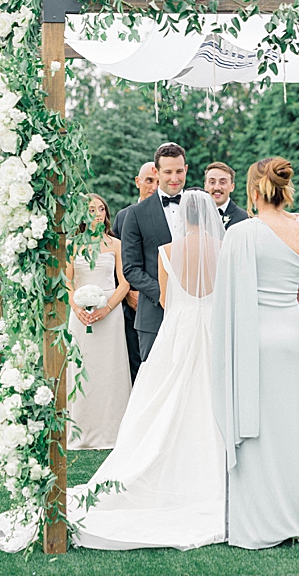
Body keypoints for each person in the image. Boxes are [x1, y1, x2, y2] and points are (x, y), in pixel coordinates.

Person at [65, 189, 228, 550]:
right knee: (211, 394)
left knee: (168, 398)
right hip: (213, 330)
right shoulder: (225, 250)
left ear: (183, 218)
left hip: (181, 329)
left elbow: (169, 300)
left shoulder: (168, 252)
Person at [211, 157, 299, 549]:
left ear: (254, 192)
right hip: (288, 338)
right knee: (286, 427)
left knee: (253, 426)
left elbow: (224, 295)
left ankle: (258, 522)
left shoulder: (240, 234)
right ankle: (289, 520)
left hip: (252, 339)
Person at [65, 194, 132, 450]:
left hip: (110, 313)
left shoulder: (115, 244)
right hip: (80, 314)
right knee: (83, 369)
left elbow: (124, 281)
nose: (97, 213)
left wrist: (108, 308)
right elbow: (67, 281)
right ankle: (81, 430)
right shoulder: (71, 244)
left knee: (110, 370)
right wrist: (77, 308)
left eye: (101, 209)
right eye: (91, 209)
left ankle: (113, 434)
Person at [121, 143, 188, 361]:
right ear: (157, 173)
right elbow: (131, 267)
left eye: (179, 171)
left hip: (194, 314)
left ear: (186, 169)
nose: (174, 178)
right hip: (153, 314)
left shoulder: (199, 207)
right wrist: (163, 293)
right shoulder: (136, 214)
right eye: (168, 172)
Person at [112, 162, 159, 383]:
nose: (154, 186)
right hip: (130, 304)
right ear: (137, 181)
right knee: (134, 362)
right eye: (149, 181)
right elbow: (116, 260)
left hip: (161, 300)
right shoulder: (123, 216)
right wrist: (128, 292)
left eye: (158, 182)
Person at [204, 161, 248, 229]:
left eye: (222, 182)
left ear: (232, 187)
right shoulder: (197, 216)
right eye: (212, 182)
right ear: (205, 186)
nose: (217, 187)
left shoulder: (244, 218)